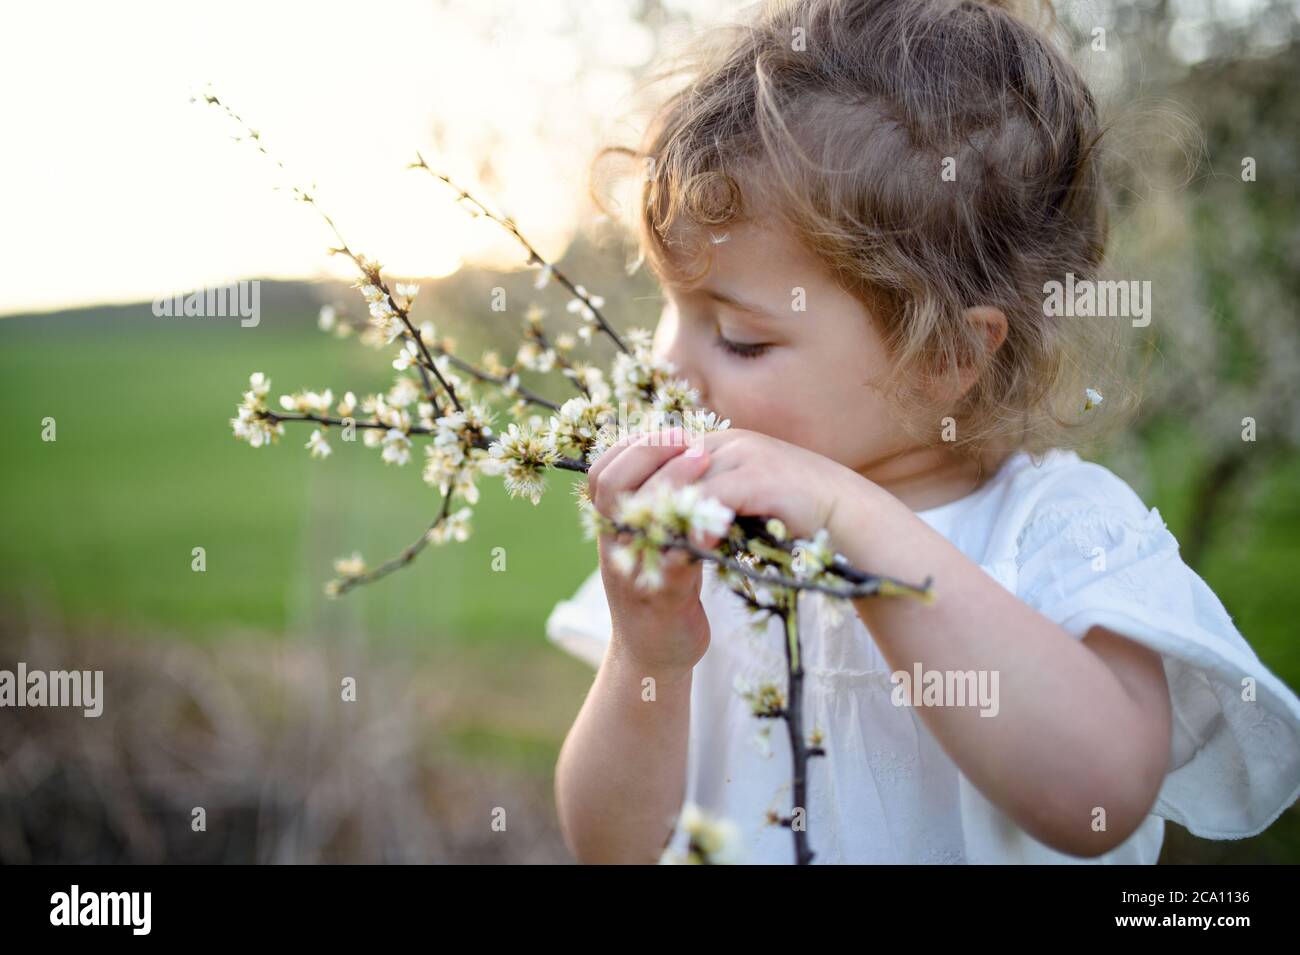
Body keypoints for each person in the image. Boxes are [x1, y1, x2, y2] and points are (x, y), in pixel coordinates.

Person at [547, 0, 1300, 863]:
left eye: (740, 337)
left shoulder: (1056, 532)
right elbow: (606, 846)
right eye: (669, 311)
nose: (669, 368)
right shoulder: (711, 557)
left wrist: (850, 516)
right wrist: (650, 657)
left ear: (943, 355)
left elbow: (1097, 797)